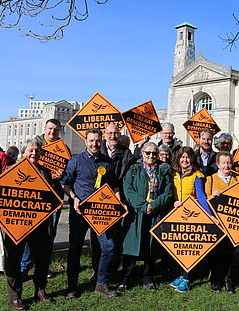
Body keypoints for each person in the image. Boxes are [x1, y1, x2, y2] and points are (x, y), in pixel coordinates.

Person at [62, 129, 120, 298]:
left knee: (109, 247)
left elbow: (114, 186)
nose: (94, 144)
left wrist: (119, 203)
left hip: (100, 213)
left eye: (97, 141)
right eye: (91, 141)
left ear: (101, 142)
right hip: (79, 213)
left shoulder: (107, 162)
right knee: (75, 249)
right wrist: (73, 198)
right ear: (86, 142)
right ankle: (72, 286)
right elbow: (65, 183)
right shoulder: (75, 161)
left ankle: (101, 283)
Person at [3, 139, 54, 310]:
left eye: (37, 151)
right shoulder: (10, 170)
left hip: (39, 225)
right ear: (23, 153)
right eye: (30, 150)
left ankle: (40, 289)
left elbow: (52, 196)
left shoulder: (46, 171)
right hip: (16, 224)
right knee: (14, 260)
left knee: (42, 258)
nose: (34, 153)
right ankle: (15, 296)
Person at [117, 142, 172, 292]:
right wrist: (142, 205)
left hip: (154, 214)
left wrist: (153, 206)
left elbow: (167, 192)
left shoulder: (164, 170)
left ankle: (148, 278)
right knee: (131, 247)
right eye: (148, 153)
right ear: (142, 153)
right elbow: (127, 188)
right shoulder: (134, 169)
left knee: (151, 247)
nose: (151, 156)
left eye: (154, 153)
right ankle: (125, 279)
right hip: (136, 213)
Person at [21, 119, 69, 278]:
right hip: (33, 198)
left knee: (49, 235)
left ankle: (42, 267)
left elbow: (68, 174)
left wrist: (62, 175)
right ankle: (24, 267)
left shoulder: (64, 149)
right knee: (29, 233)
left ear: (59, 131)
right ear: (44, 128)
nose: (52, 132)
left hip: (54, 198)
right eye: (50, 128)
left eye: (56, 129)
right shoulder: (35, 144)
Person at [97, 123, 135, 280]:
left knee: (116, 237)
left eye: (116, 133)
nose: (113, 136)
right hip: (99, 201)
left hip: (119, 200)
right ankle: (97, 270)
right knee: (98, 239)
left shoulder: (126, 153)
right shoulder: (98, 151)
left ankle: (112, 269)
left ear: (119, 135)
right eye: (109, 133)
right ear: (104, 134)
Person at [169, 146, 207, 293]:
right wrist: (173, 202)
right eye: (182, 157)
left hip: (190, 216)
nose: (185, 160)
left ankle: (186, 279)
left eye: (188, 157)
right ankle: (181, 275)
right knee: (177, 248)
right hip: (174, 213)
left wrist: (209, 215)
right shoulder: (172, 173)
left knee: (187, 248)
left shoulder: (197, 174)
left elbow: (201, 196)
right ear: (178, 159)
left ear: (192, 159)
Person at [205, 151, 239, 293]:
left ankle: (228, 280)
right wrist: (213, 196)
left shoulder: (238, 179)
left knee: (229, 253)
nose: (226, 166)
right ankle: (215, 280)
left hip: (232, 222)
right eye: (223, 163)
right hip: (216, 222)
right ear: (218, 164)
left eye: (229, 162)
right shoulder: (211, 179)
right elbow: (205, 200)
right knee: (215, 253)